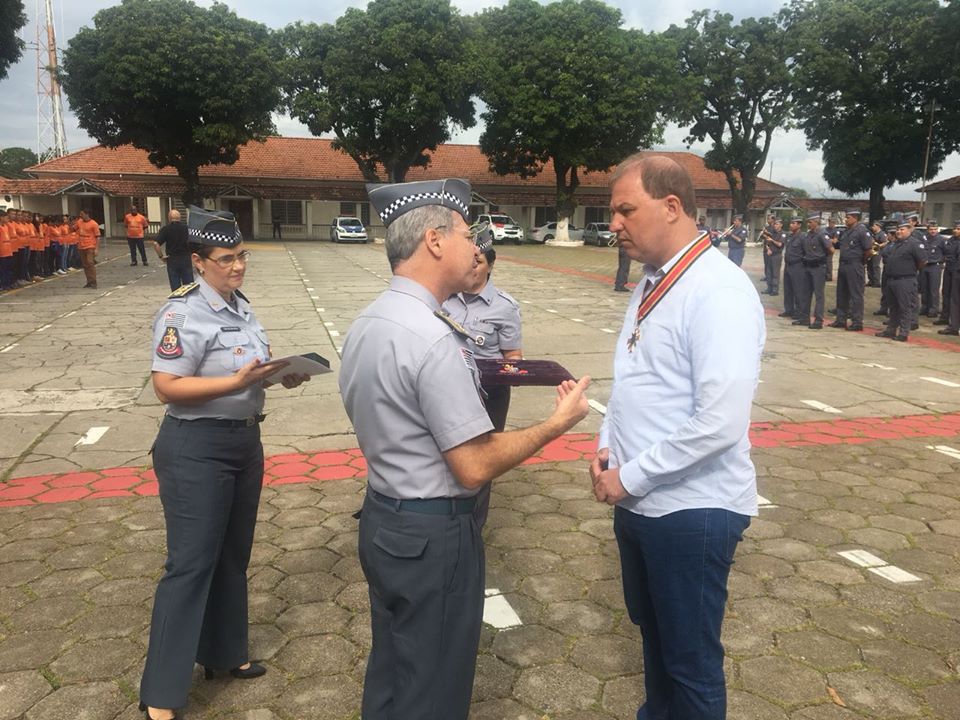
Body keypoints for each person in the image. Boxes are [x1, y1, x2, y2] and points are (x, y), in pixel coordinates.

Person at [339, 178, 590, 720]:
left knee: (394, 670)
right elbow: (473, 465)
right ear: (433, 240)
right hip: (433, 534)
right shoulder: (432, 339)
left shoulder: (370, 321)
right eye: (463, 232)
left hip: (384, 517)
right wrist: (555, 424)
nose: (476, 246)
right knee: (433, 688)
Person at [590, 154, 764, 720]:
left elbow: (720, 421)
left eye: (624, 210)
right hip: (640, 499)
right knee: (655, 640)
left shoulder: (718, 289)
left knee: (689, 662)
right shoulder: (651, 281)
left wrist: (628, 477)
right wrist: (604, 449)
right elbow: (633, 382)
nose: (613, 223)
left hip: (692, 508)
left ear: (671, 207)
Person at [139, 206, 309, 720]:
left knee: (233, 556)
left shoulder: (241, 308)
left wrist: (278, 375)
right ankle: (161, 694)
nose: (237, 266)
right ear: (198, 261)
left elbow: (249, 366)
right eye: (227, 259)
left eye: (242, 256)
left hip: (243, 443)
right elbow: (166, 386)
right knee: (189, 566)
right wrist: (236, 383)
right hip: (195, 447)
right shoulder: (182, 313)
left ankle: (225, 653)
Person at [442, 235, 523, 526]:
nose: (471, 264)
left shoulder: (504, 307)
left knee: (483, 460)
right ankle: (447, 518)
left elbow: (514, 357)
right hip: (447, 391)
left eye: (477, 259)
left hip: (489, 395)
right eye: (468, 258)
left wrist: (510, 372)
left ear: (490, 265)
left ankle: (474, 526)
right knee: (449, 455)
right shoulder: (444, 297)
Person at [877, 219, 926, 342]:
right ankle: (891, 330)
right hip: (892, 280)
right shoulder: (895, 244)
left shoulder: (914, 244)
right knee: (893, 307)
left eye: (902, 229)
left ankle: (903, 332)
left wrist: (910, 270)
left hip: (905, 280)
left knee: (905, 307)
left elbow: (922, 261)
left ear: (909, 230)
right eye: (898, 229)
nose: (898, 232)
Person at [829, 209, 872, 331]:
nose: (845, 219)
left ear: (855, 218)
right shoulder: (846, 232)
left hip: (855, 265)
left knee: (856, 295)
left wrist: (860, 261)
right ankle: (840, 320)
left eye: (848, 217)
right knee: (841, 293)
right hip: (843, 265)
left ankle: (857, 322)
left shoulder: (862, 231)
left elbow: (868, 250)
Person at [795, 213, 833, 329]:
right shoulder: (807, 235)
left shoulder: (822, 234)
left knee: (819, 295)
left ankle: (818, 320)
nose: (808, 224)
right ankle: (804, 318)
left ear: (816, 222)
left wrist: (821, 257)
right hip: (808, 266)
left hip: (818, 267)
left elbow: (831, 250)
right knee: (805, 294)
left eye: (810, 222)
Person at [153, 209, 193, 291]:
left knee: (175, 286)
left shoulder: (166, 229)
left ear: (169, 218)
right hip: (185, 258)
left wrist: (161, 256)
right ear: (180, 218)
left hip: (172, 259)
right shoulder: (187, 229)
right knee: (189, 286)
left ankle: (177, 301)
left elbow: (156, 244)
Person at [935, 220, 960, 331]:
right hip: (949, 268)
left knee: (955, 297)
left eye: (958, 229)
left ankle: (953, 324)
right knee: (946, 293)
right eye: (955, 228)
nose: (955, 231)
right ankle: (945, 316)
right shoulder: (951, 240)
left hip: (957, 271)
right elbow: (946, 253)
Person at [919, 219, 945, 317]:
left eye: (935, 229)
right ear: (928, 230)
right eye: (931, 229)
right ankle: (924, 307)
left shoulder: (941, 240)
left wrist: (941, 262)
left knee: (933, 289)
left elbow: (946, 253)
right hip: (925, 266)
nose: (933, 231)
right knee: (924, 288)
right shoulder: (924, 238)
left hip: (935, 266)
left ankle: (933, 309)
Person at [780, 216, 805, 318]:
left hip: (797, 266)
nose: (791, 225)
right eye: (791, 223)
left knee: (798, 290)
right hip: (788, 265)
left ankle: (798, 311)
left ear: (799, 225)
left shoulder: (803, 237)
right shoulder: (789, 236)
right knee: (788, 289)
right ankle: (788, 310)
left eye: (794, 223)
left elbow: (806, 252)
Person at [76, 209, 101, 289]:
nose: (81, 216)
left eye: (82, 214)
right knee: (85, 264)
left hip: (90, 246)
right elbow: (73, 228)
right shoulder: (79, 222)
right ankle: (89, 281)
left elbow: (98, 237)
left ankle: (94, 281)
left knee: (90, 262)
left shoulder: (94, 224)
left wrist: (96, 249)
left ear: (87, 214)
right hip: (81, 246)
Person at [762, 217, 785, 295]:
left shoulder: (783, 234)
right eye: (774, 224)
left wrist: (772, 240)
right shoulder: (772, 233)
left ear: (781, 225)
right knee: (769, 273)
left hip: (776, 256)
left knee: (775, 273)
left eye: (777, 224)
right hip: (770, 255)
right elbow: (767, 243)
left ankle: (775, 290)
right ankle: (769, 288)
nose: (775, 225)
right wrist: (768, 248)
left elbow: (780, 244)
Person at [867, 219, 885, 287]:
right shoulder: (873, 234)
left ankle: (876, 282)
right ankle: (871, 280)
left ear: (878, 226)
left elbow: (885, 242)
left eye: (874, 226)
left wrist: (878, 245)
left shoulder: (881, 234)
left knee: (875, 266)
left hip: (877, 252)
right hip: (872, 251)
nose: (872, 227)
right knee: (870, 266)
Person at [824, 216, 840, 282]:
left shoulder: (836, 231)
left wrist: (827, 239)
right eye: (830, 222)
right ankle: (824, 275)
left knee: (829, 262)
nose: (831, 224)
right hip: (824, 248)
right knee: (824, 263)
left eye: (833, 222)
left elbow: (835, 241)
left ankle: (829, 276)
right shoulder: (825, 229)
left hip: (830, 248)